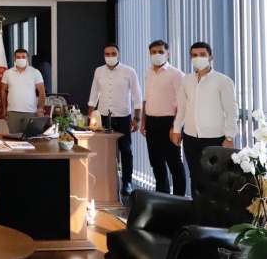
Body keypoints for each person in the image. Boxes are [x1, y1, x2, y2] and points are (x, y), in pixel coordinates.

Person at [171, 41, 238, 196]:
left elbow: (231, 111)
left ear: (211, 57)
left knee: (215, 177)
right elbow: (182, 107)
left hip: (215, 138)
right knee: (195, 175)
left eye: (202, 54)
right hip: (190, 137)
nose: (198, 58)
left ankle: (214, 209)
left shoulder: (223, 81)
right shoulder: (186, 80)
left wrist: (229, 137)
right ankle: (196, 207)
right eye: (194, 55)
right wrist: (176, 129)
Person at [88, 43, 142, 195]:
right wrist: (90, 115)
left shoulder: (129, 71)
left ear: (119, 55)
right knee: (104, 150)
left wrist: (137, 118)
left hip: (123, 116)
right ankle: (104, 180)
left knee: (126, 150)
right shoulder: (99, 71)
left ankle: (127, 182)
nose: (110, 56)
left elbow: (137, 96)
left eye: (113, 53)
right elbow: (94, 93)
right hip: (103, 116)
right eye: (107, 54)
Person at [139, 40, 186, 195]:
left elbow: (182, 102)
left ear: (168, 54)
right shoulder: (148, 74)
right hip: (151, 122)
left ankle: (179, 198)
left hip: (169, 122)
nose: (157, 54)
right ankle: (162, 194)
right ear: (149, 54)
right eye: (154, 52)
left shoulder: (176, 74)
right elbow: (146, 99)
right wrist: (144, 122)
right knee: (156, 162)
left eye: (160, 51)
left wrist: (175, 127)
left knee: (174, 163)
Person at [1, 49, 46, 133]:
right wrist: (4, 108)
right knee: (14, 137)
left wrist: (40, 109)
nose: (21, 59)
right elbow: (3, 91)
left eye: (23, 57)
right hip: (12, 112)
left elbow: (41, 91)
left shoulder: (35, 72)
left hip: (31, 112)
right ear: (14, 59)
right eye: (18, 57)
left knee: (30, 137)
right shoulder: (7, 73)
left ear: (27, 58)